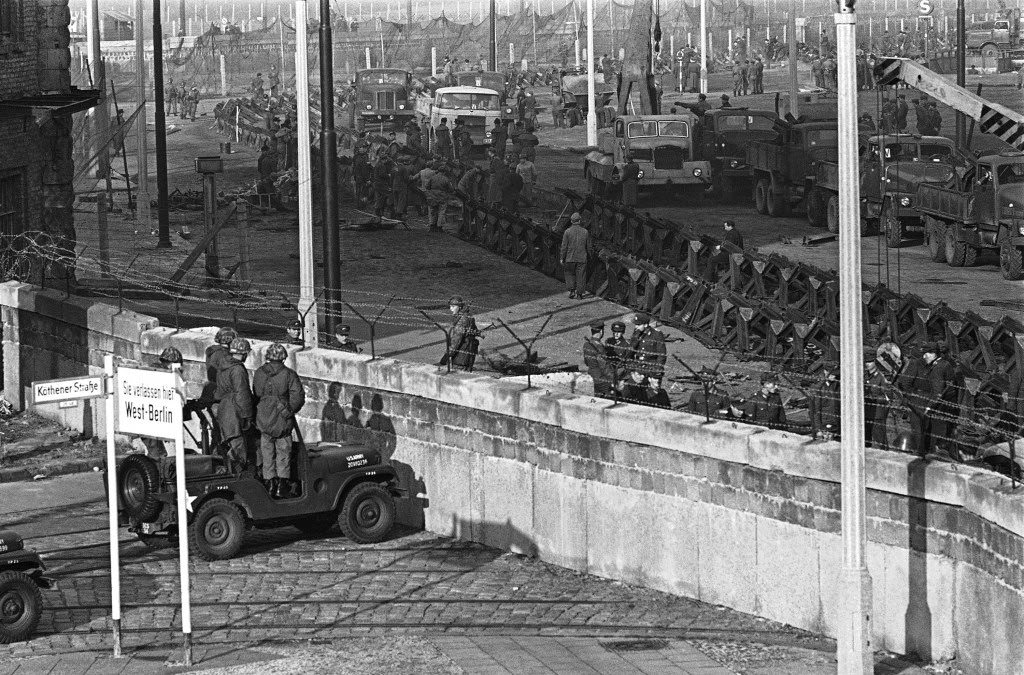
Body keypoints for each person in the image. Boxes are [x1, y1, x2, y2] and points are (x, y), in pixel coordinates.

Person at [252, 343, 306, 498]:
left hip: (264, 416)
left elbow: (256, 392)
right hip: (282, 418)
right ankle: (282, 486)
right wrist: (288, 411)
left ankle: (269, 483)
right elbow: (298, 397)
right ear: (283, 358)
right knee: (284, 451)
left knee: (267, 451)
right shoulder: (289, 374)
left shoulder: (259, 373)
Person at [217, 338, 255, 473]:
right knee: (238, 448)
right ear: (242, 353)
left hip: (224, 408)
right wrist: (248, 416)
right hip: (235, 410)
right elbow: (242, 394)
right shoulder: (238, 370)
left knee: (228, 445)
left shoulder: (223, 365)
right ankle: (237, 476)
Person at [443, 295, 481, 371]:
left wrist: (446, 356)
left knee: (458, 376)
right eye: (450, 306)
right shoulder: (468, 316)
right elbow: (475, 331)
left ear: (459, 307)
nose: (451, 309)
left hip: (461, 356)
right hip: (470, 352)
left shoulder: (461, 320)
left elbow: (456, 340)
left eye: (453, 306)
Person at [629, 313, 667, 384]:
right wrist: (632, 368)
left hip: (651, 367)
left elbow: (662, 354)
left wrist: (656, 371)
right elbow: (630, 352)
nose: (636, 327)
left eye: (638, 325)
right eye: (635, 324)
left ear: (645, 325)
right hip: (638, 367)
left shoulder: (656, 334)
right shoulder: (636, 333)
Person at [560, 212, 590, 299]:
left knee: (569, 274)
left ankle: (572, 291)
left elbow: (564, 246)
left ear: (571, 221)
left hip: (570, 258)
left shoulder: (567, 232)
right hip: (582, 258)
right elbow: (589, 247)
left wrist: (562, 257)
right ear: (579, 220)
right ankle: (579, 294)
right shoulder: (585, 232)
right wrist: (589, 256)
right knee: (581, 276)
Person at [583, 322, 615, 398]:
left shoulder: (587, 344)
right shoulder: (599, 347)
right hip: (602, 379)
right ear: (601, 331)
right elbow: (604, 366)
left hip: (592, 377)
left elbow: (586, 362)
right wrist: (613, 379)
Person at [810, 366, 841, 440]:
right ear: (825, 372)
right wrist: (818, 429)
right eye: (832, 374)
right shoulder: (819, 388)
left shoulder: (836, 385)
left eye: (835, 374)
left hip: (835, 423)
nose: (835, 376)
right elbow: (815, 410)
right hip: (824, 424)